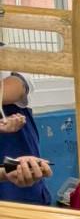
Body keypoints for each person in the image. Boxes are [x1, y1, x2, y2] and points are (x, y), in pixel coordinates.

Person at [0, 71, 49, 204]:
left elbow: (17, 85)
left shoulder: (11, 62)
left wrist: (6, 171)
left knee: (20, 196)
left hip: (13, 143)